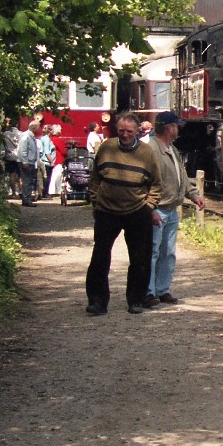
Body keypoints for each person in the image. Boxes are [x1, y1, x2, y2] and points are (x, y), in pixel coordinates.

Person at [85, 112, 163, 315]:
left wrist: (148, 207)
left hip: (137, 211)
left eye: (129, 131)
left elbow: (156, 184)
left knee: (139, 259)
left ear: (138, 131)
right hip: (106, 211)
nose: (125, 135)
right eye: (121, 131)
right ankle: (97, 302)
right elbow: (95, 178)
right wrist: (96, 200)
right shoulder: (107, 147)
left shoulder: (147, 153)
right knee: (100, 257)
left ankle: (136, 300)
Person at [146, 111, 205, 308]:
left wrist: (194, 194)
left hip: (171, 209)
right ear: (169, 128)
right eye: (176, 126)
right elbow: (145, 182)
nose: (178, 129)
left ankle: (162, 289)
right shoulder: (151, 151)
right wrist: (150, 208)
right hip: (158, 208)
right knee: (153, 251)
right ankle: (148, 291)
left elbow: (181, 175)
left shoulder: (171, 149)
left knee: (168, 252)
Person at [16, 120, 41, 207]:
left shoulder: (31, 136)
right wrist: (25, 161)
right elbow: (22, 150)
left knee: (29, 181)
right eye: (38, 127)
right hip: (26, 162)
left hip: (30, 162)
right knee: (26, 181)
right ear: (34, 127)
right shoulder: (26, 136)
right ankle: (26, 200)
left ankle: (27, 199)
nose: (39, 129)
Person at [2, 118, 22, 198]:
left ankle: (14, 193)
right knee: (21, 176)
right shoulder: (21, 134)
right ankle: (22, 192)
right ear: (17, 124)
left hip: (10, 156)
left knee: (12, 175)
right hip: (19, 156)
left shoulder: (5, 134)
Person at [36, 124, 56, 198]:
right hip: (46, 162)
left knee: (42, 177)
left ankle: (42, 192)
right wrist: (51, 161)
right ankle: (45, 193)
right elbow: (47, 152)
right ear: (50, 131)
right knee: (47, 177)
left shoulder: (42, 138)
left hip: (42, 160)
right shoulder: (47, 139)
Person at [46, 126, 66, 197]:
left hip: (52, 159)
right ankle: (56, 190)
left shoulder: (50, 139)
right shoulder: (58, 140)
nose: (61, 131)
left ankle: (51, 190)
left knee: (52, 175)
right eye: (60, 130)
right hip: (58, 159)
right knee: (58, 175)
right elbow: (63, 151)